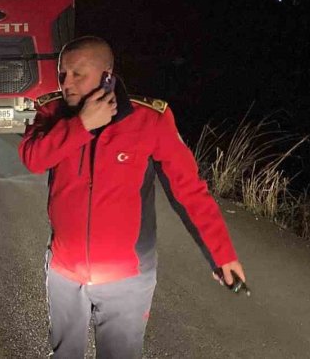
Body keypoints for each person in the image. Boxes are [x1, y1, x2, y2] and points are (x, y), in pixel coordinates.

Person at [19, 36, 246, 358]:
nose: (67, 83)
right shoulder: (52, 112)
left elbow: (189, 191)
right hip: (64, 272)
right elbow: (34, 158)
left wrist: (221, 254)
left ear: (107, 75)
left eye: (78, 74)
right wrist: (81, 125)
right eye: (62, 74)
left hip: (126, 278)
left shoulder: (149, 120)